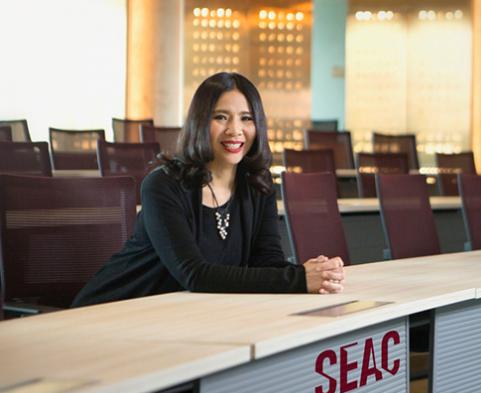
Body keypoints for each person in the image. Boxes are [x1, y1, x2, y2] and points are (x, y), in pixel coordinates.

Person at [72, 72, 345, 307]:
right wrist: (298, 279)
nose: (235, 130)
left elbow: (267, 263)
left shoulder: (258, 185)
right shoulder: (163, 185)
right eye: (221, 117)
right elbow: (194, 275)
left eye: (246, 118)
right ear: (200, 122)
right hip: (113, 311)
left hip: (178, 316)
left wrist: (317, 273)